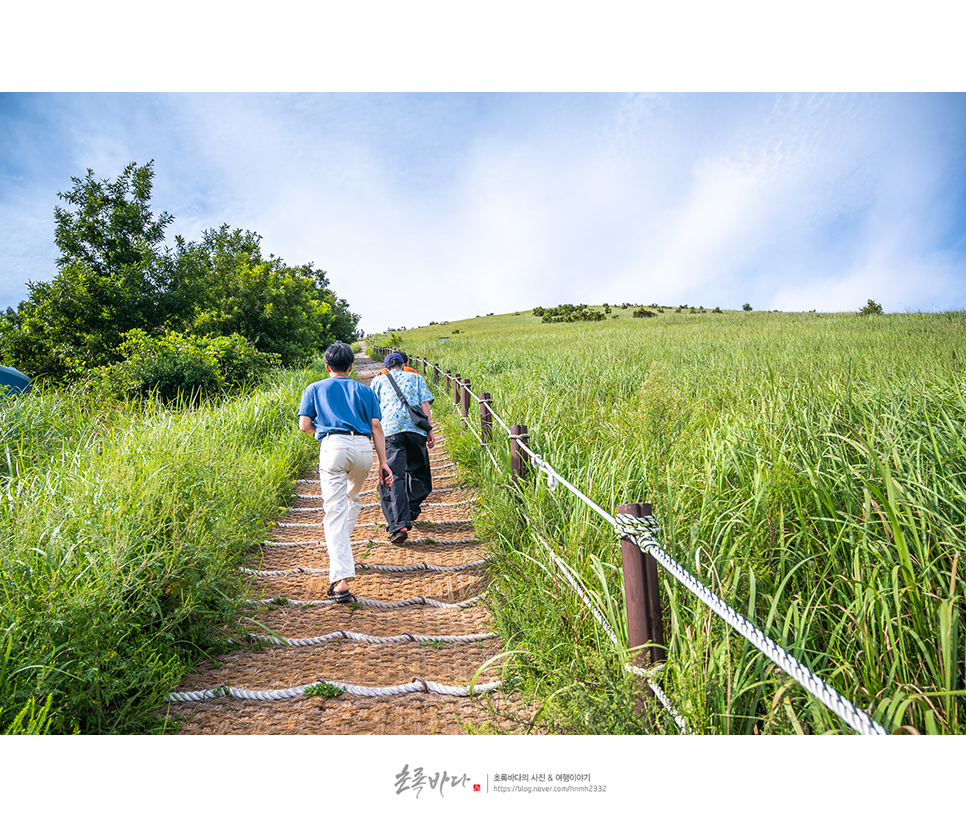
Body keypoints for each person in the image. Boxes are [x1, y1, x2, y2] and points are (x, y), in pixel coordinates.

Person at [298, 342, 393, 603]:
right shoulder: (365, 391)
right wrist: (384, 462)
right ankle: (339, 546)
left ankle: (340, 580)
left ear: (327, 366)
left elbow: (304, 425)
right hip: (363, 449)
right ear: (351, 367)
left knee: (334, 512)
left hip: (333, 446)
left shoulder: (314, 389)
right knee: (352, 501)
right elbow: (376, 427)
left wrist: (323, 427)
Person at [369, 351, 435, 544]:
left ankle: (399, 524)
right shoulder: (416, 377)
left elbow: (373, 411)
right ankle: (411, 506)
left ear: (386, 367)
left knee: (392, 476)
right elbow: (425, 406)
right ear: (405, 364)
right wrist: (429, 430)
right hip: (415, 429)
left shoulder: (378, 381)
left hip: (389, 432)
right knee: (420, 473)